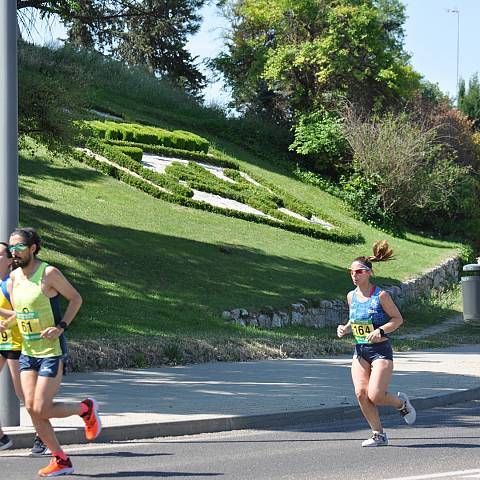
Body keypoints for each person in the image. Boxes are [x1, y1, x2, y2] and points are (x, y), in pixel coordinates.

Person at [5, 228, 101, 477]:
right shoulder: (14, 277)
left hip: (51, 351)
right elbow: (25, 311)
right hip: (28, 351)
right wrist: (10, 322)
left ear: (33, 248)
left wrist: (60, 327)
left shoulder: (48, 273)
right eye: (11, 248)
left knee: (42, 408)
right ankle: (61, 459)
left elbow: (76, 299)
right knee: (32, 409)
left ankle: (85, 408)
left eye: (19, 247)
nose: (14, 252)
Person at [337, 240, 416, 447]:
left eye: (359, 272)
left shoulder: (380, 295)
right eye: (351, 272)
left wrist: (380, 330)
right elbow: (356, 319)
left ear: (369, 273)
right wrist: (346, 328)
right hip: (361, 350)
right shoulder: (351, 296)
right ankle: (378, 434)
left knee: (376, 395)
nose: (354, 275)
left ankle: (401, 403)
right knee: (361, 394)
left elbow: (397, 319)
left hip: (380, 351)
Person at [0, 241, 50, 456]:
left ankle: (43, 437)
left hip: (17, 342)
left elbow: (22, 313)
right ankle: (1, 438)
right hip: (1, 340)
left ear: (10, 260)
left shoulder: (12, 283)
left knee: (25, 396)